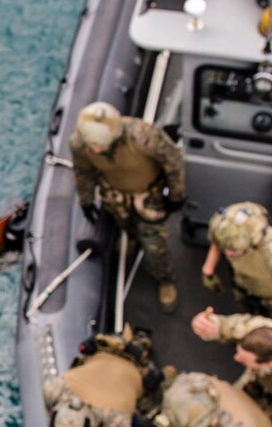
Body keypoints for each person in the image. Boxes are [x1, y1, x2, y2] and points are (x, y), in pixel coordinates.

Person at [70, 102, 186, 314]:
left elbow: (172, 161)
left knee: (154, 245)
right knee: (125, 224)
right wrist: (86, 199)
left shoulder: (143, 136)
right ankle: (131, 236)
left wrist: (176, 194)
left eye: (101, 146)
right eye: (92, 146)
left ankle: (165, 278)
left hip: (149, 196)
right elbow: (83, 172)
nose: (96, 150)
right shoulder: (81, 143)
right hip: (115, 195)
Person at [202, 202, 272, 335]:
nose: (228, 253)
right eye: (226, 249)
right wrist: (208, 271)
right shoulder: (227, 235)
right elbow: (218, 244)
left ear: (254, 240)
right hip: (245, 288)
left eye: (234, 250)